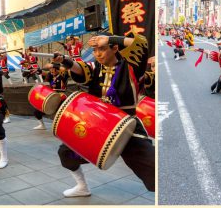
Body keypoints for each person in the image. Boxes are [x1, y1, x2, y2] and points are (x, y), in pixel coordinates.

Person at [59, 32, 155, 196]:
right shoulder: (95, 68)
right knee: (65, 153)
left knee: (153, 170)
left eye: (102, 49)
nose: (98, 54)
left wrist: (110, 39)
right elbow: (78, 68)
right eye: (95, 50)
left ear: (115, 48)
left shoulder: (131, 67)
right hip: (100, 127)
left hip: (127, 127)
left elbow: (141, 43)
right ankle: (82, 187)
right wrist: (62, 60)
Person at [33, 56, 69, 130]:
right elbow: (44, 73)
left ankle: (65, 127)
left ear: (57, 69)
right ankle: (42, 125)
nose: (51, 70)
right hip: (51, 97)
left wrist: (54, 65)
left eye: (53, 69)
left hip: (61, 97)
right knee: (37, 112)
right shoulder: (50, 76)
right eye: (50, 69)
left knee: (60, 114)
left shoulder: (63, 76)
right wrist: (38, 70)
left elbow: (65, 70)